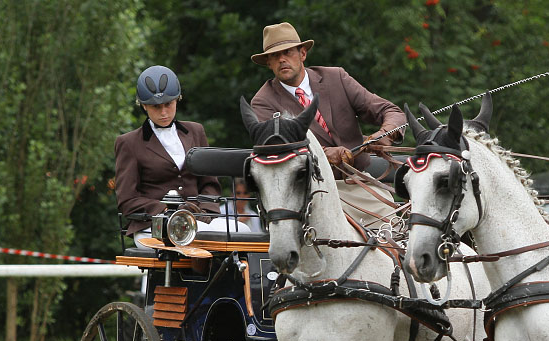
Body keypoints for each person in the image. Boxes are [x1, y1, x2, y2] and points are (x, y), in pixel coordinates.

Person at [249, 22, 405, 228]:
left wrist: (385, 133)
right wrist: (323, 154)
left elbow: (392, 112)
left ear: (302, 53)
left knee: (393, 233)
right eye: (274, 56)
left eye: (287, 52)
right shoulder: (263, 102)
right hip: (310, 192)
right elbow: (279, 150)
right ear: (268, 63)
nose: (281, 59)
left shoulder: (336, 77)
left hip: (358, 184)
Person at [114, 65, 246, 248]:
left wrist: (204, 212)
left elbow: (209, 183)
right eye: (155, 107)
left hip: (199, 220)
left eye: (168, 104)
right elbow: (127, 200)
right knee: (188, 240)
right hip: (154, 225)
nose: (164, 112)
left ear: (178, 99)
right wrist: (167, 210)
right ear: (143, 105)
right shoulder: (128, 143)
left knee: (244, 232)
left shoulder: (196, 131)